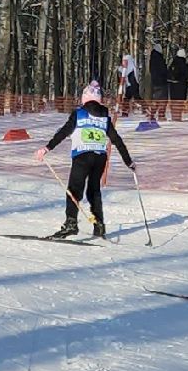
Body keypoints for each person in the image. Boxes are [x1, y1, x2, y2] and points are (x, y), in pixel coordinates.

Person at [34, 81, 135, 238]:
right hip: (100, 158)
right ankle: (99, 225)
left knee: (74, 190)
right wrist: (129, 162)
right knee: (93, 190)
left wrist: (47, 148)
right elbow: (117, 140)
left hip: (82, 156)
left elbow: (64, 132)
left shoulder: (79, 114)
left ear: (84, 98)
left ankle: (71, 224)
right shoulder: (105, 118)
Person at [147, 47, 169, 119]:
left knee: (156, 99)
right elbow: (163, 70)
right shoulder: (159, 59)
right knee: (163, 99)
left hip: (155, 82)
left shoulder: (152, 59)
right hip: (161, 82)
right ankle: (161, 115)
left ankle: (151, 114)